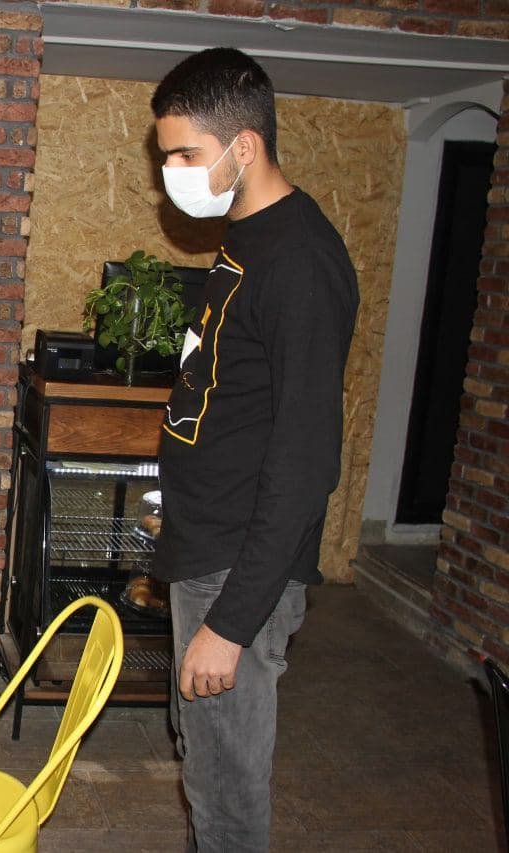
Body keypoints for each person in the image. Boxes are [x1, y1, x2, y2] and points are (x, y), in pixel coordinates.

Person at [149, 47, 359, 852]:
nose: (171, 173)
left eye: (185, 155)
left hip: (236, 569)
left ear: (245, 146)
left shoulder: (301, 261)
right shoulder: (249, 236)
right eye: (166, 155)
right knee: (204, 763)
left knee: (227, 796)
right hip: (207, 546)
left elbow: (306, 463)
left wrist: (231, 624)